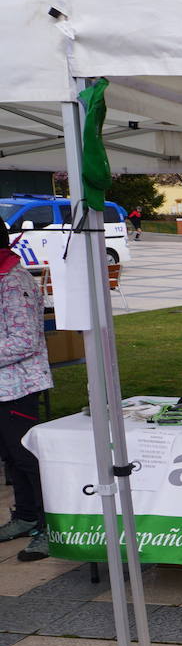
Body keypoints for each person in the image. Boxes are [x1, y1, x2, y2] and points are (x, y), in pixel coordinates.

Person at [0, 220, 52, 561]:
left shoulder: (13, 281)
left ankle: (52, 527)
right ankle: (25, 515)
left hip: (20, 385)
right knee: (11, 458)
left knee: (28, 458)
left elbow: (25, 340)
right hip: (4, 387)